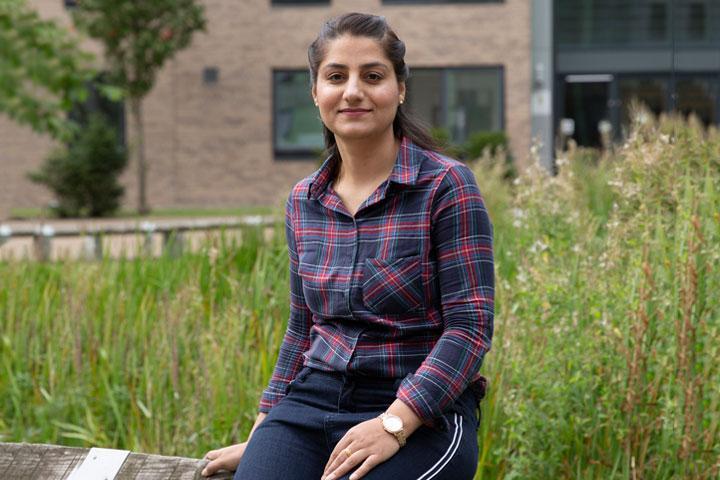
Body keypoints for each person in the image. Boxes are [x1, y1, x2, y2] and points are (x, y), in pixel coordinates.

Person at [202, 12, 494, 480]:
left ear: (399, 89)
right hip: (312, 403)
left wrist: (394, 423)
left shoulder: (445, 186)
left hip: (424, 412)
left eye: (372, 76)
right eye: (336, 76)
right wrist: (265, 433)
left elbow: (469, 328)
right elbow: (302, 328)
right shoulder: (304, 200)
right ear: (316, 92)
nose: (353, 91)